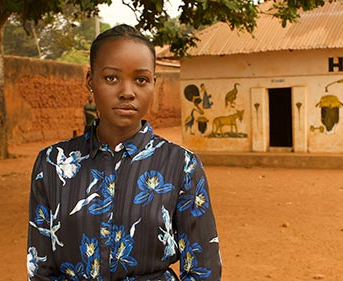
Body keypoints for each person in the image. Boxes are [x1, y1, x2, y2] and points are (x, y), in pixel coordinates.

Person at [27, 24, 222, 280]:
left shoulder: (181, 165)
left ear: (154, 83)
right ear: (90, 81)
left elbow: (202, 268)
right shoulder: (52, 163)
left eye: (141, 80)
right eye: (111, 78)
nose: (127, 92)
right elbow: (41, 267)